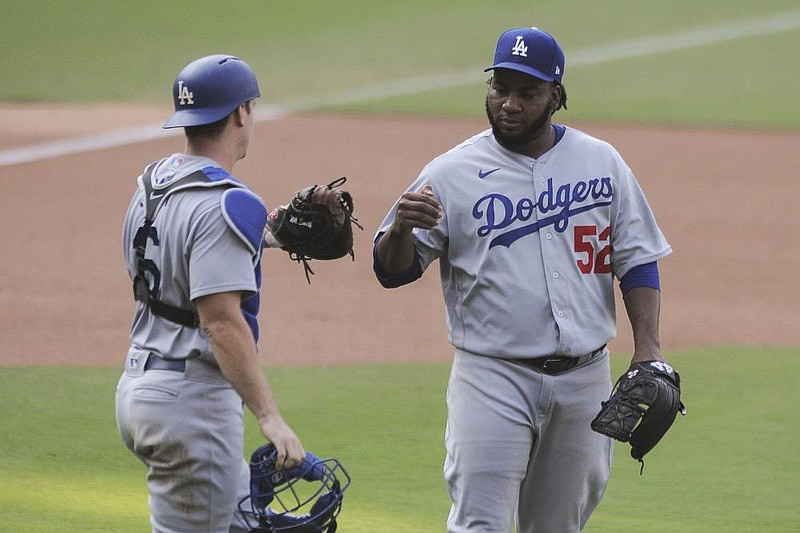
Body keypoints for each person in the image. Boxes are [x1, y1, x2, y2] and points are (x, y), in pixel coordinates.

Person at [373, 27, 672, 532]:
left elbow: (638, 259)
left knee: (559, 527)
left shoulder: (601, 161)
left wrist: (649, 350)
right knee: (480, 525)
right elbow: (392, 271)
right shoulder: (450, 172)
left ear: (555, 95)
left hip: (585, 380)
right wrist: (401, 227)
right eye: (500, 88)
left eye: (526, 93)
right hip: (493, 378)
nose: (509, 103)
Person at [116, 54, 305, 532]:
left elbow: (180, 253)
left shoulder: (151, 183)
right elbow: (220, 321)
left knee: (245, 522)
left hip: (141, 384)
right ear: (242, 112)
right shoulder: (227, 201)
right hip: (192, 405)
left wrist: (268, 234)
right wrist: (270, 417)